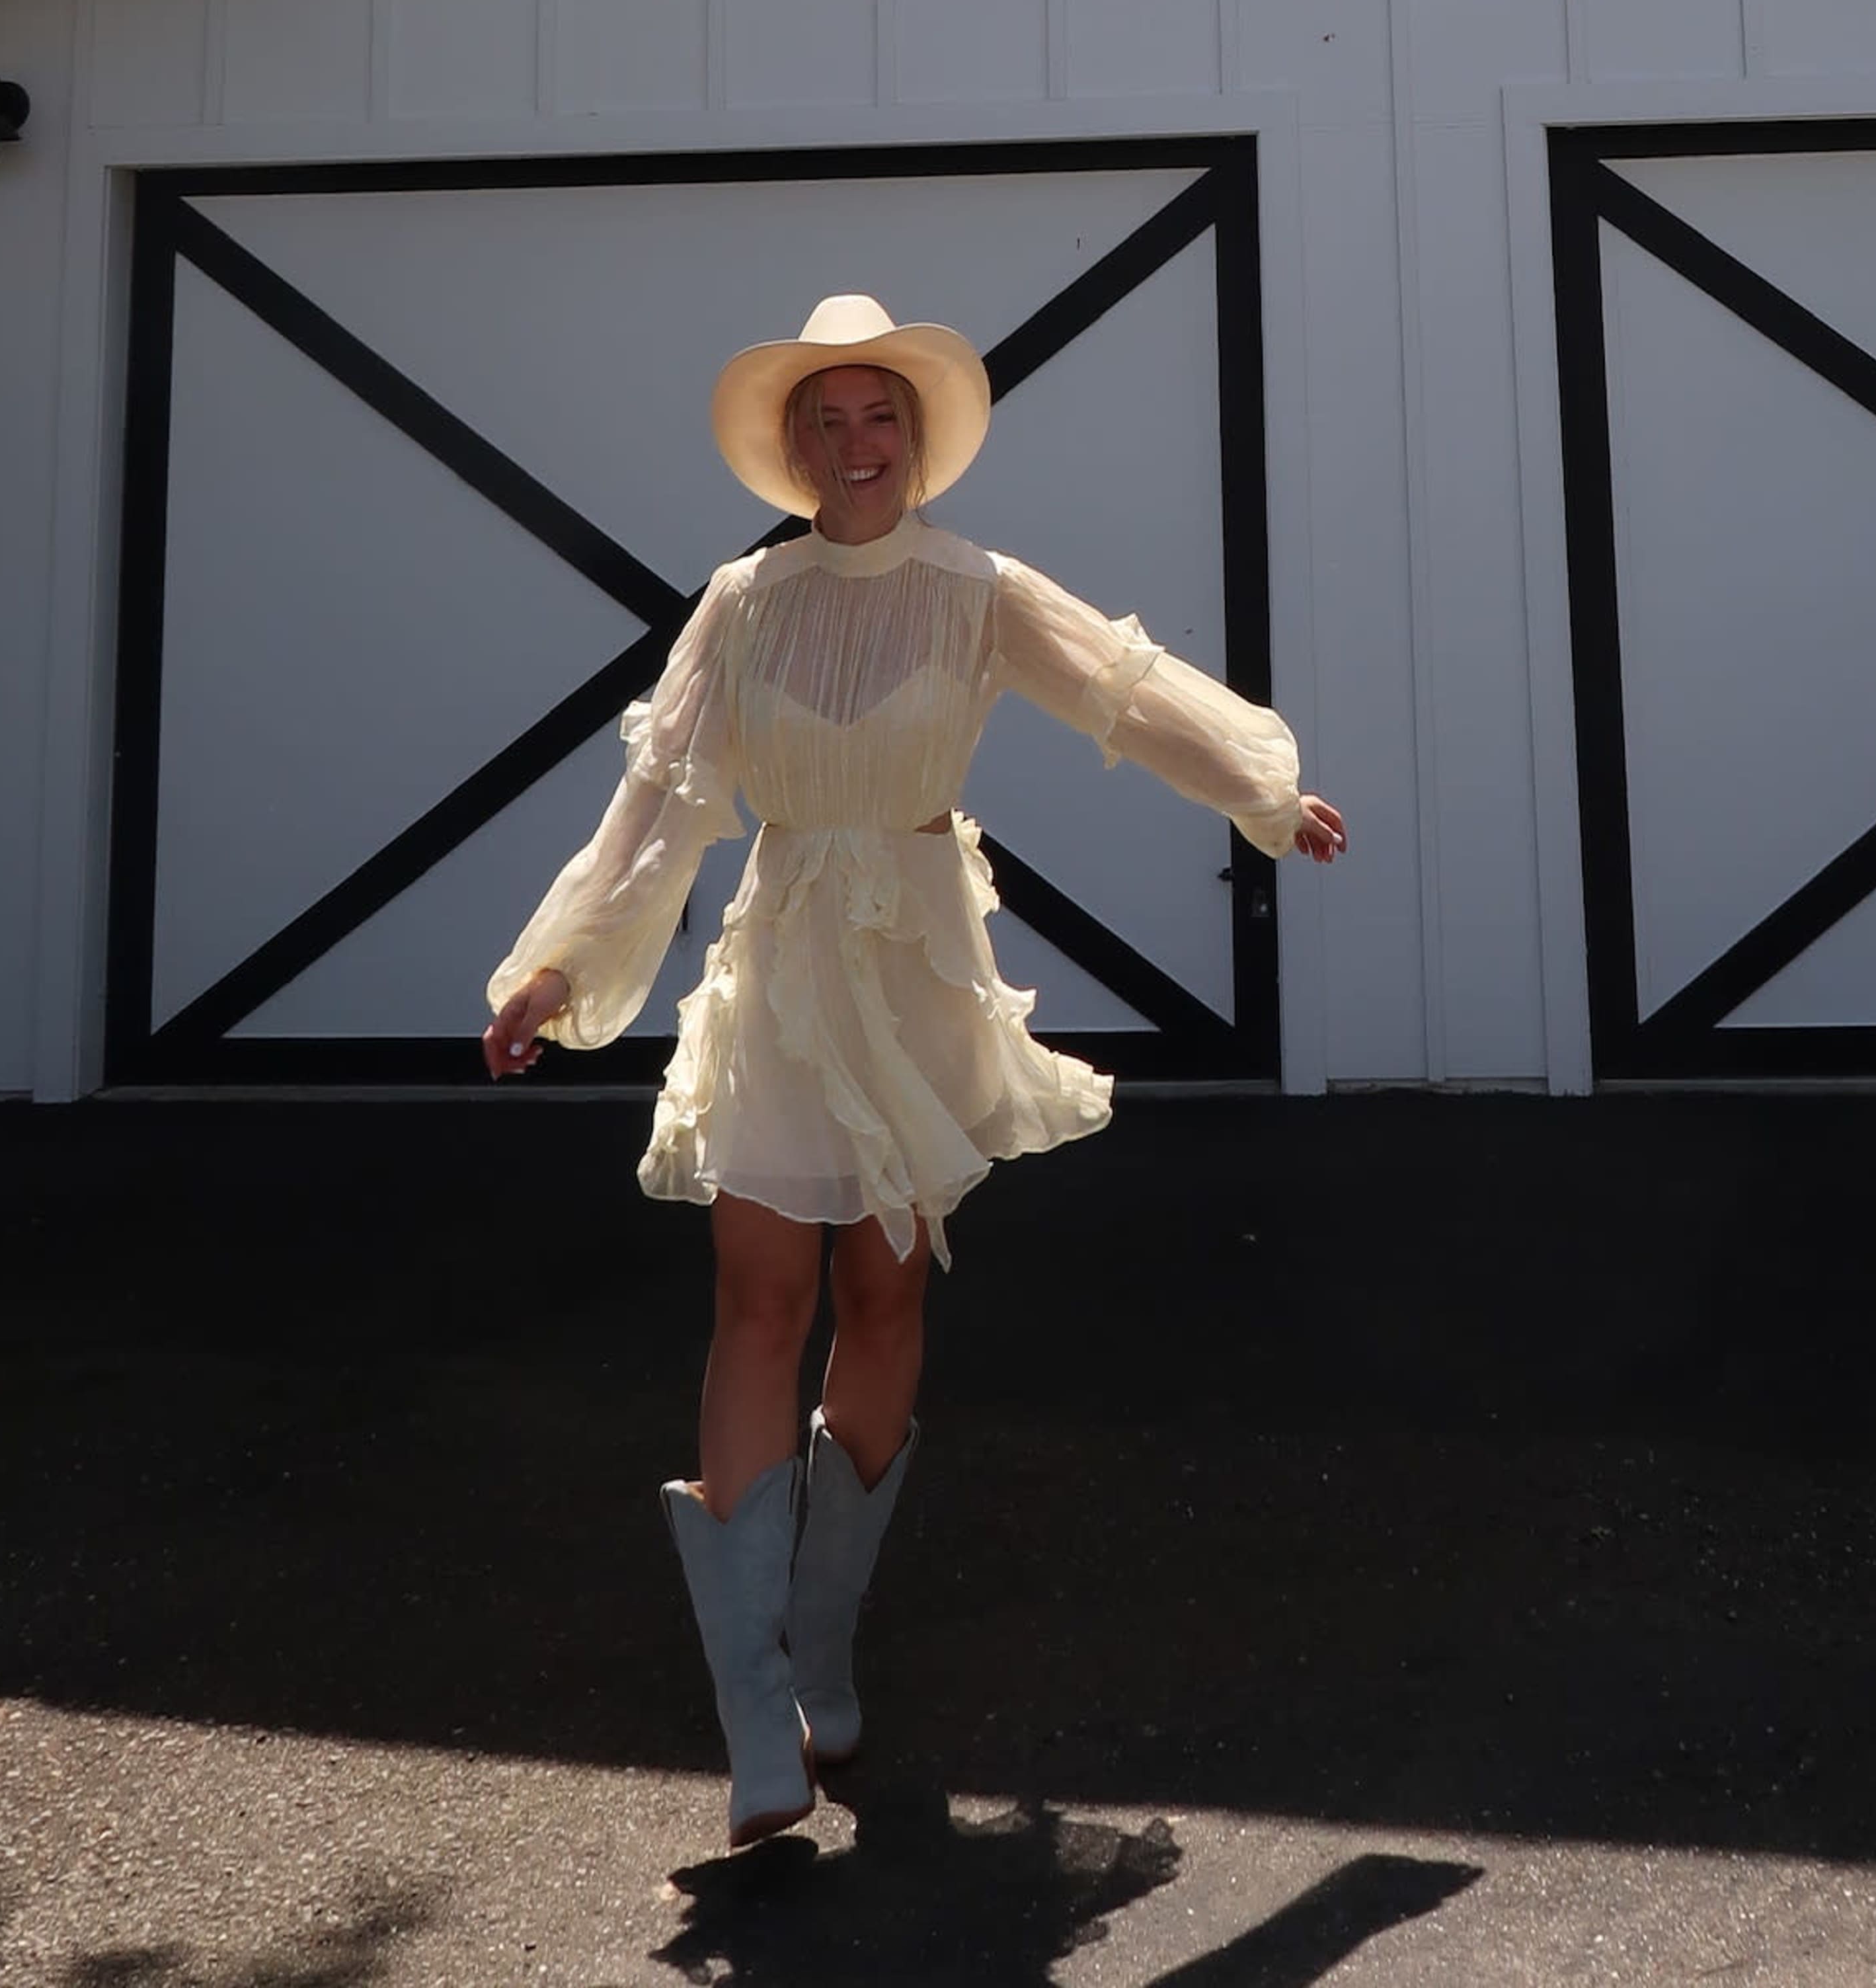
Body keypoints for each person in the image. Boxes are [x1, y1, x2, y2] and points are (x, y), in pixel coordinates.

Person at [481, 292, 1345, 1850]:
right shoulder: (742, 604)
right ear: (797, 448)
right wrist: (555, 966)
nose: (856, 443)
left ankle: (821, 1651)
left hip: (915, 976)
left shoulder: (979, 592)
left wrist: (1266, 796)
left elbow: (1128, 690)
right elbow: (660, 808)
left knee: (883, 1300)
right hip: (780, 969)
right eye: (828, 422)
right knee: (758, 1301)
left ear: (917, 437)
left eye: (879, 415)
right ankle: (755, 1711)